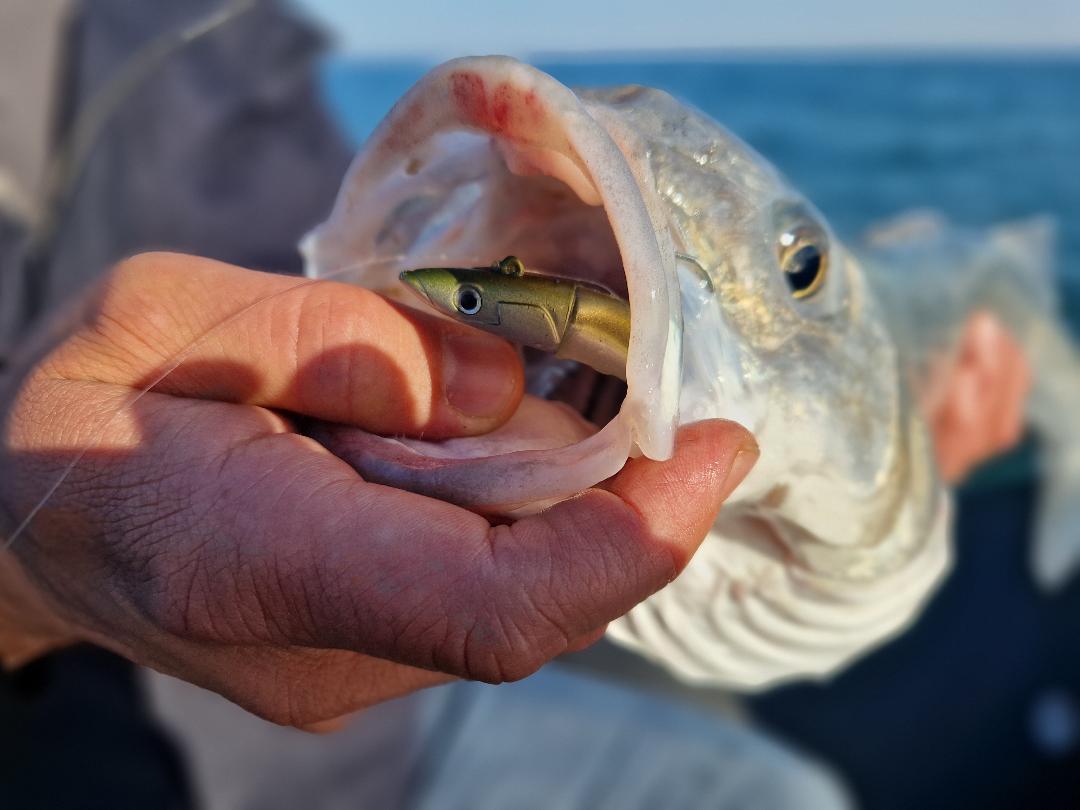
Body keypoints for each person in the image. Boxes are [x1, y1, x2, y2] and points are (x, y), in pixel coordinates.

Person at [0, 1, 1030, 807]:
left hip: (402, 722)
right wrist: (25, 575)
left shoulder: (230, 42)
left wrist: (894, 474)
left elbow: (313, 284)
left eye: (798, 269)